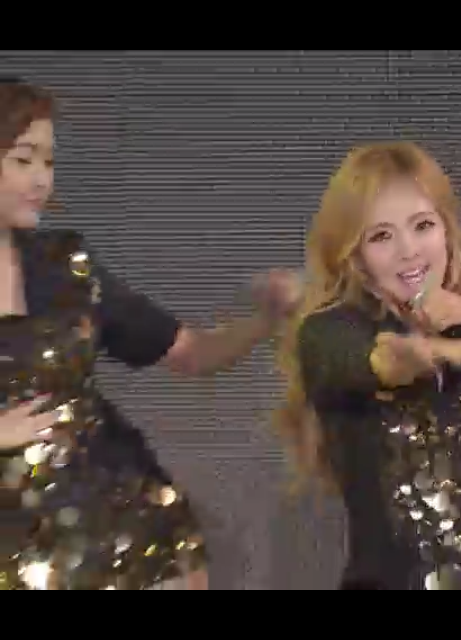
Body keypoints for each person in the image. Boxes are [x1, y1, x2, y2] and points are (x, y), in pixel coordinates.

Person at [0, 78, 301, 590]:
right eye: (23, 159)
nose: (41, 179)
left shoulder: (66, 264)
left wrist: (266, 319)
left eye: (48, 162)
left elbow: (188, 352)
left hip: (110, 505)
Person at [275, 141, 461, 590]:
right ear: (356, 256)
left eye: (423, 226)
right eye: (381, 236)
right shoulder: (328, 333)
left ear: (447, 230)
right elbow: (378, 360)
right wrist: (423, 353)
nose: (409, 251)